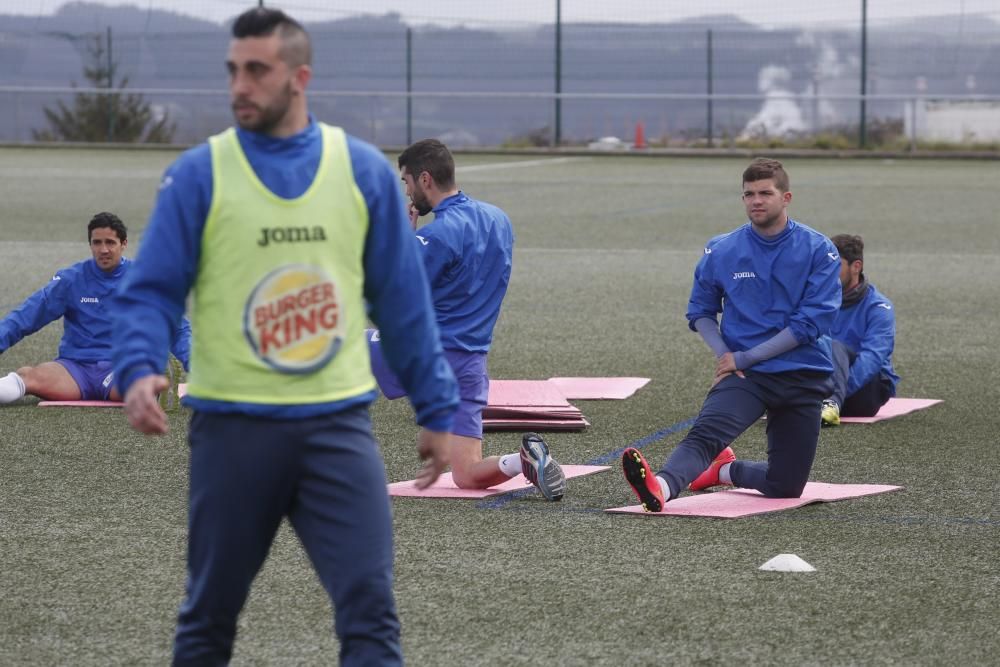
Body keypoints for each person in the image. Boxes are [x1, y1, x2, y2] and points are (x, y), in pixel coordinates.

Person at [111, 8, 457, 665]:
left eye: (257, 70)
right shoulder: (198, 174)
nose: (240, 85)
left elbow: (405, 303)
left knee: (372, 616)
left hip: (337, 429)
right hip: (231, 433)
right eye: (233, 70)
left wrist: (439, 408)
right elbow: (152, 289)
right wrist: (135, 365)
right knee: (208, 619)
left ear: (299, 77)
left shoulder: (359, 172)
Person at [622, 158, 841, 512]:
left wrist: (742, 356)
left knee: (785, 487)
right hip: (747, 376)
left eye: (765, 193)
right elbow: (701, 312)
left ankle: (724, 470)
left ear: (786, 197)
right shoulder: (721, 249)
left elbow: (807, 326)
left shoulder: (819, 249)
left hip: (802, 373)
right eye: (749, 194)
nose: (756, 200)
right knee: (705, 436)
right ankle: (660, 487)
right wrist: (727, 355)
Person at [366, 138, 566, 500]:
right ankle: (522, 461)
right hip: (471, 361)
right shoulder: (498, 219)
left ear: (425, 179)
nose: (407, 191)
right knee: (466, 475)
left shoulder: (437, 234)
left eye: (406, 182)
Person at [0, 211, 190, 404]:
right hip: (74, 371)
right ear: (90, 244)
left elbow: (178, 328)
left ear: (123, 244)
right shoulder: (71, 280)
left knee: (140, 386)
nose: (103, 249)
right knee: (28, 376)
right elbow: (25, 317)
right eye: (97, 243)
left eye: (110, 242)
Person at [820, 234, 900, 426]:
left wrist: (835, 392)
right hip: (825, 387)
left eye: (835, 265)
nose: (828, 272)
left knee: (833, 346)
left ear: (856, 266)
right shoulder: (819, 301)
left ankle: (829, 404)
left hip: (866, 390)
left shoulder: (879, 308)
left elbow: (872, 358)